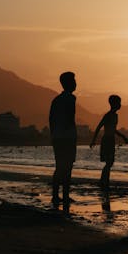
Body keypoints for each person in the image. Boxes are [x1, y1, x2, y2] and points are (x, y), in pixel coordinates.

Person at [48, 71, 78, 208]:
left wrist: (54, 134)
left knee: (59, 166)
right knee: (68, 167)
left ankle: (55, 195)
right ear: (69, 83)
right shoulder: (71, 98)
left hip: (57, 137)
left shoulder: (56, 100)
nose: (75, 83)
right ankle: (64, 195)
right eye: (74, 80)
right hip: (67, 137)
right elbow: (70, 118)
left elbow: (51, 120)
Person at [90, 94, 128, 190]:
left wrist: (123, 136)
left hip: (111, 140)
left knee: (110, 162)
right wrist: (93, 140)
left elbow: (113, 129)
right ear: (114, 104)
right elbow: (99, 127)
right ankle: (103, 181)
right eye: (119, 103)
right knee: (109, 162)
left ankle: (104, 181)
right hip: (106, 140)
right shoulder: (107, 115)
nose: (120, 105)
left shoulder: (115, 116)